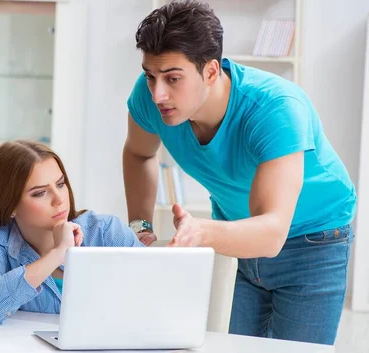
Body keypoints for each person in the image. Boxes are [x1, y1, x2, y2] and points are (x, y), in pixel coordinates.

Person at [122, 0, 356, 345]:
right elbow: (138, 153)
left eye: (173, 78)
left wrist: (200, 232)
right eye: (150, 75)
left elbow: (271, 232)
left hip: (314, 239)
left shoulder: (274, 109)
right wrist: (139, 225)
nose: (158, 93)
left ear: (212, 71)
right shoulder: (149, 96)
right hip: (246, 241)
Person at [0, 140, 143, 325]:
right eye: (40, 193)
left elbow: (155, 288)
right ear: (10, 206)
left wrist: (173, 263)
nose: (59, 199)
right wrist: (57, 254)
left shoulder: (105, 231)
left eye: (60, 184)